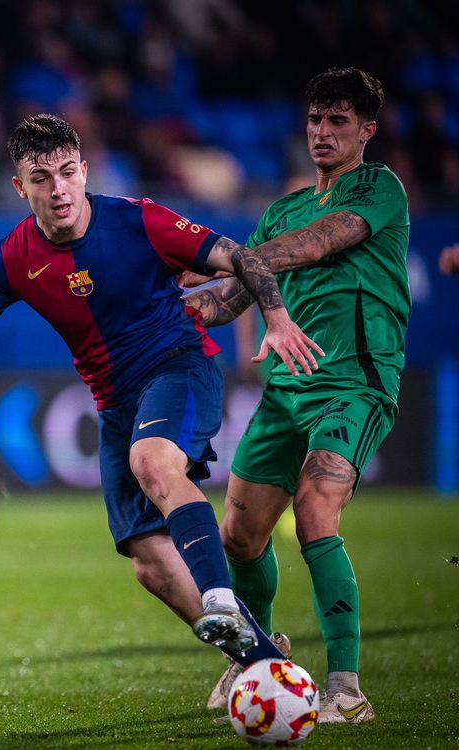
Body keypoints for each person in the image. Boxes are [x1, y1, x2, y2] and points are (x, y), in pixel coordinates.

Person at [0, 114, 323, 678]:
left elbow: (242, 256)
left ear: (83, 170)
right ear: (19, 187)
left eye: (67, 172)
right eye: (41, 178)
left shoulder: (140, 221)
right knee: (150, 564)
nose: (58, 189)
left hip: (180, 367)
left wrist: (275, 319)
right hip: (115, 405)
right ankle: (261, 663)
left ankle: (222, 600)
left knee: (152, 462)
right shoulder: (12, 257)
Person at [182, 67, 409, 723]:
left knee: (315, 511)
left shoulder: (378, 188)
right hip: (285, 392)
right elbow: (231, 297)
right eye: (316, 119)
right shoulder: (280, 210)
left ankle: (345, 687)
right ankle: (258, 653)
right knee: (240, 535)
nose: (323, 132)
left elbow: (315, 245)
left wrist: (230, 258)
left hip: (355, 382)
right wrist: (180, 304)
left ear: (366, 130)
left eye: (339, 121)